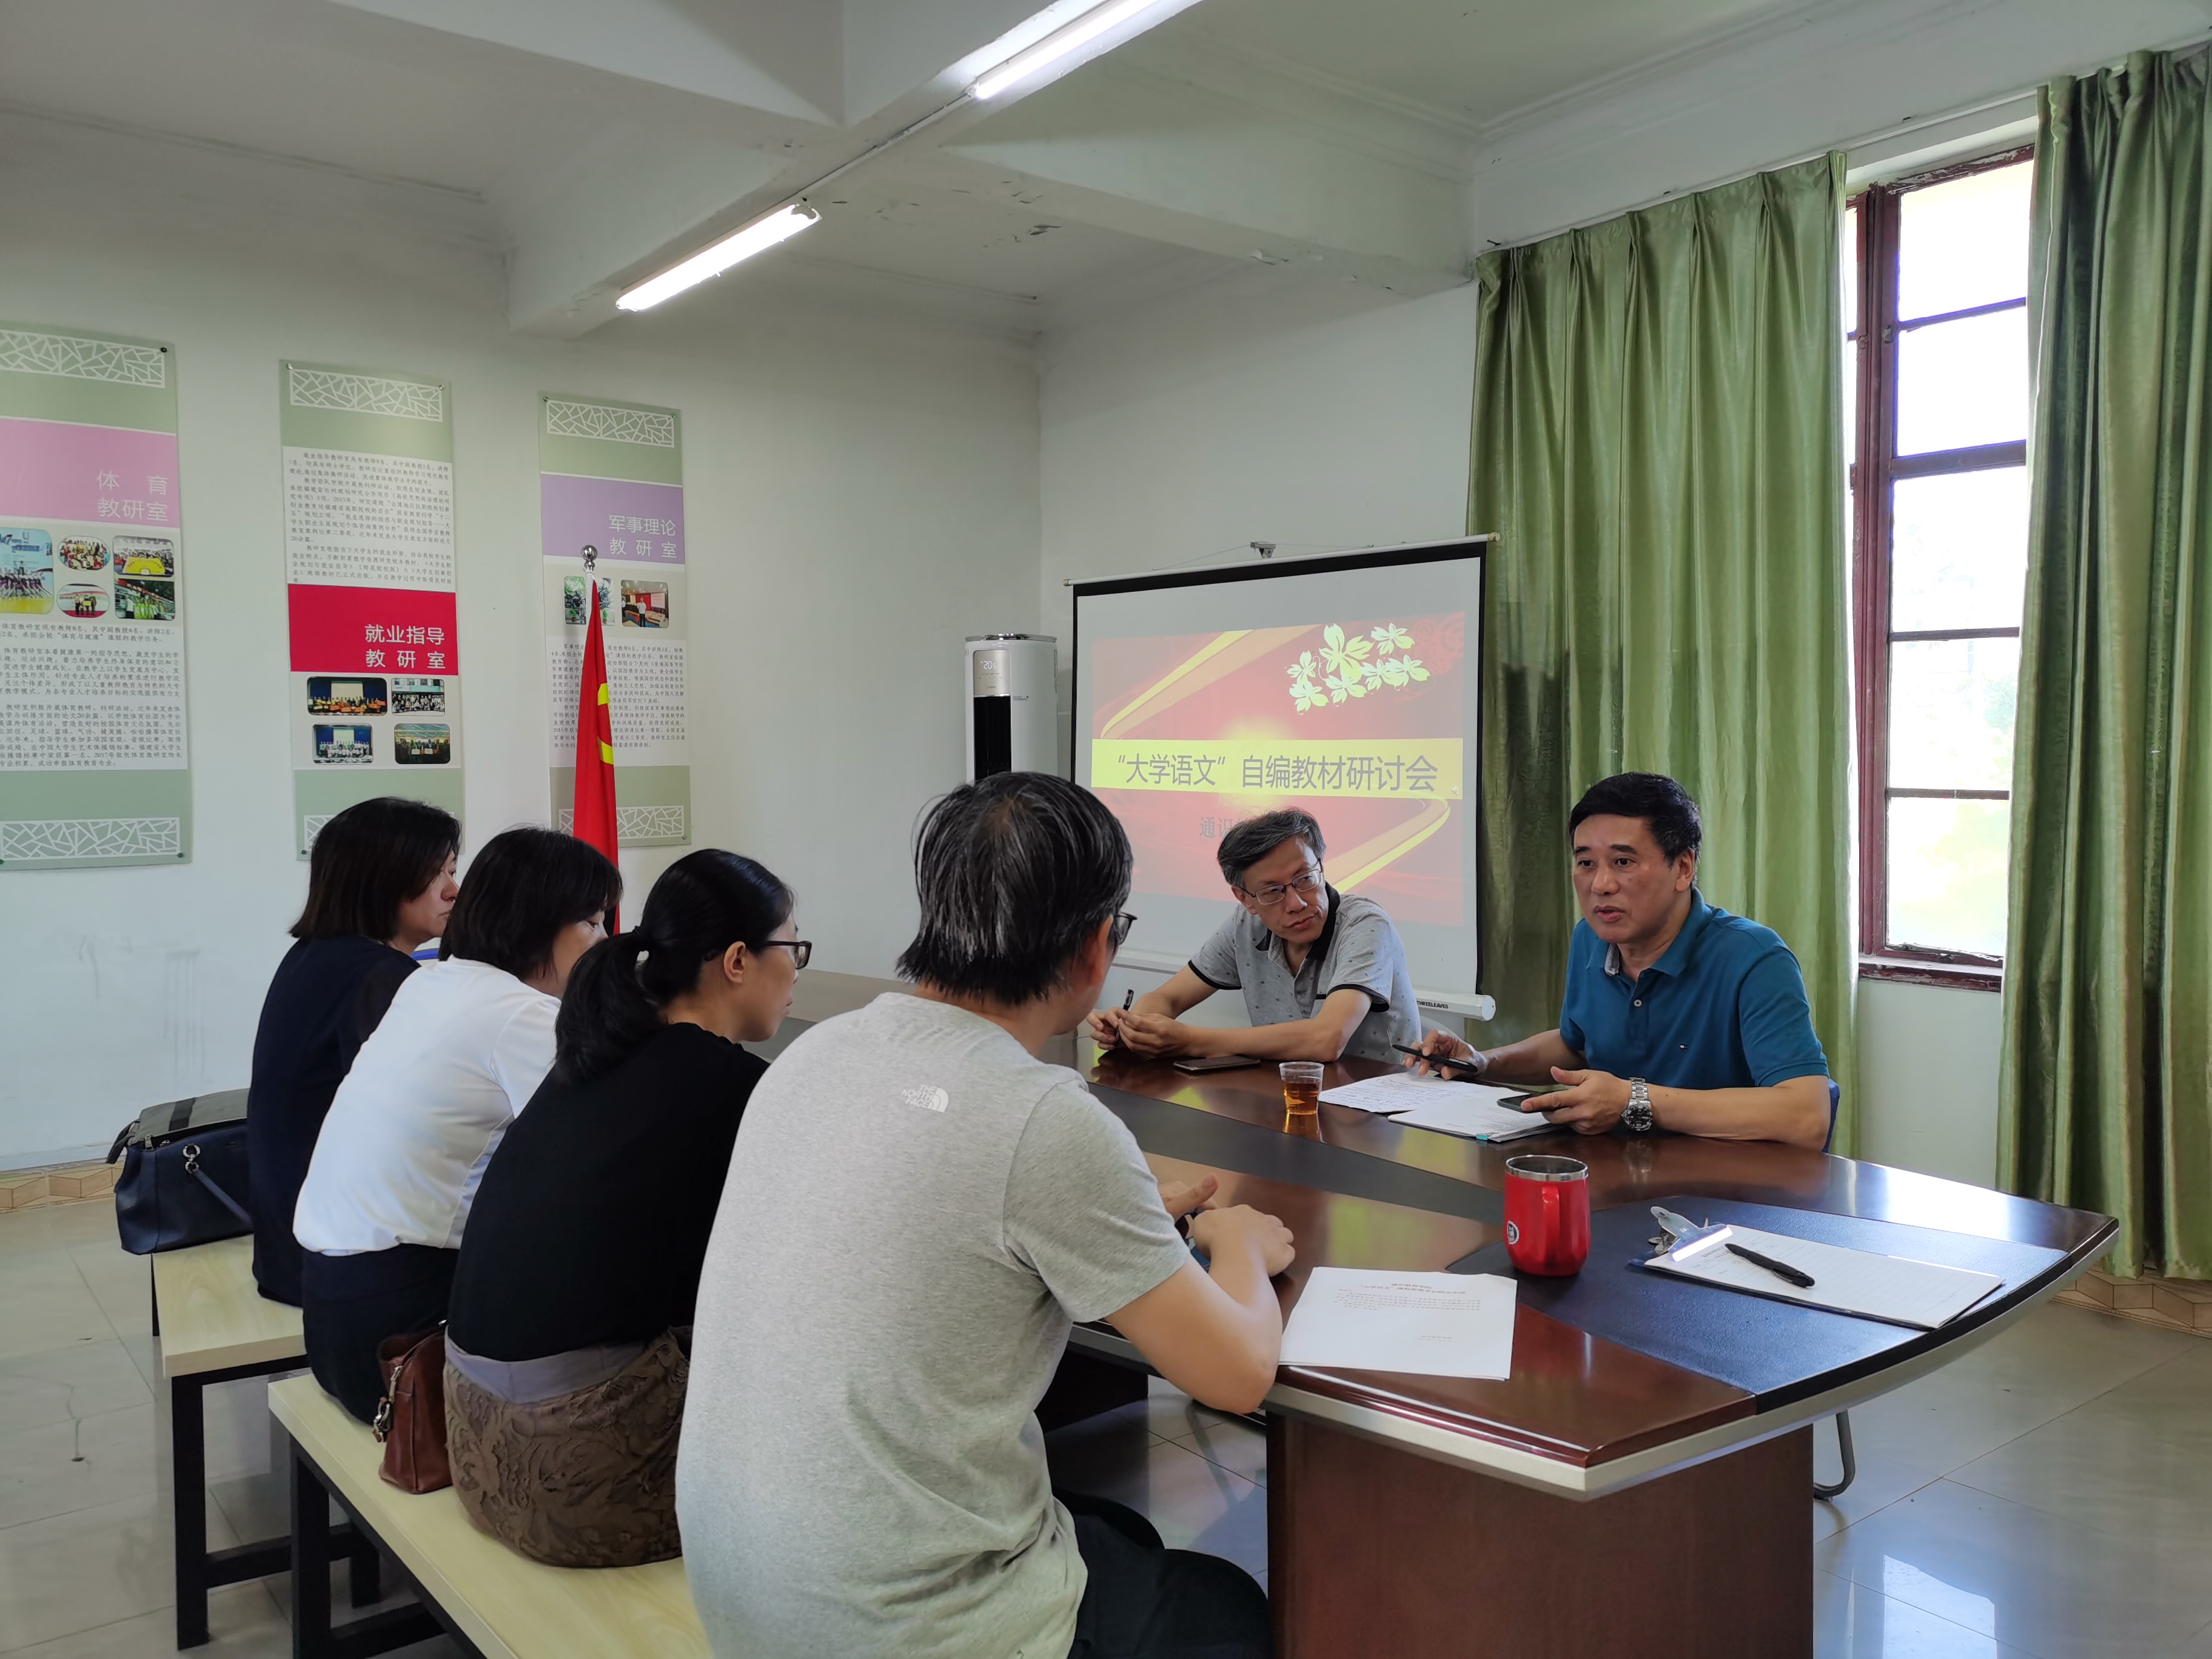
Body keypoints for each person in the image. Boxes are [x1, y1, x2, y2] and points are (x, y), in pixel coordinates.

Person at [680, 773, 1288, 1659]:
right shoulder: (1044, 1118)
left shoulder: (814, 1054)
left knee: (1121, 1531)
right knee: (1226, 1607)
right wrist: (1238, 1246)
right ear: (1097, 946)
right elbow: (1237, 1377)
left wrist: (1115, 1217)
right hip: (898, 1630)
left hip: (744, 1590)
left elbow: (942, 1199)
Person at [441, 850, 803, 1568]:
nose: (797, 972)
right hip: (577, 1472)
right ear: (738, 961)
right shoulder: (739, 1088)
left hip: (473, 1439)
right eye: (793, 949)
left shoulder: (592, 1057)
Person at [292, 826, 621, 1423]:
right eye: (594, 923)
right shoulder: (520, 1014)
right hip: (404, 1338)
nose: (604, 943)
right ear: (541, 923)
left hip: (333, 1308)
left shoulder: (434, 980)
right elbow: (606, 1149)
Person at [1412, 773, 1832, 1148]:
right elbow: (1577, 1046)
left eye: (1623, 862)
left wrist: (1633, 1101)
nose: (1601, 884)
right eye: (1585, 863)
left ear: (1683, 868)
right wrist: (1481, 1063)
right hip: (1618, 1172)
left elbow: (1806, 1116)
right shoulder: (1590, 937)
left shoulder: (1754, 958)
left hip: (1723, 1187)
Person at [247, 798, 460, 1305]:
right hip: (336, 1252)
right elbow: (416, 1125)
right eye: (436, 874)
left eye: (452, 871)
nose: (454, 890)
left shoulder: (317, 953)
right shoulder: (380, 975)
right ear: (381, 879)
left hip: (290, 1237)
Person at [1088, 808, 1421, 1064]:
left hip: (1380, 1105)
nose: (1297, 903)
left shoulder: (1364, 923)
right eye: (1273, 891)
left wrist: (1189, 1040)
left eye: (1305, 878)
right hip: (1282, 1096)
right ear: (1245, 899)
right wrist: (1135, 1028)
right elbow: (1168, 999)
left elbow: (1327, 1039)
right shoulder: (1246, 925)